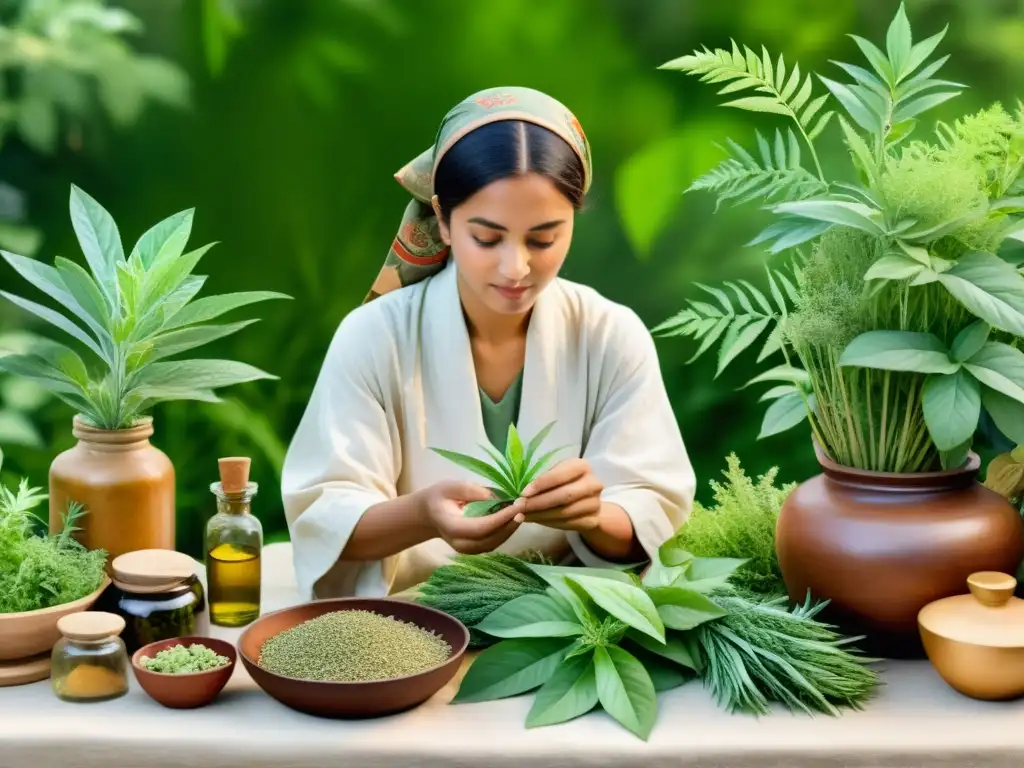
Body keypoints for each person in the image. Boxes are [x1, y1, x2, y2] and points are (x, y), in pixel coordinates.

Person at [281, 86, 695, 600]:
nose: (515, 267)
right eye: (487, 238)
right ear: (444, 218)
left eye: (543, 239)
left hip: (568, 620)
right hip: (415, 626)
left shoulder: (610, 334)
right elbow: (324, 515)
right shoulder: (373, 336)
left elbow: (649, 510)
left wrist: (594, 516)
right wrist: (422, 514)